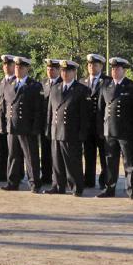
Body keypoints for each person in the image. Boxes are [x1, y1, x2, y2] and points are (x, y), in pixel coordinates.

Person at [97, 57, 133, 198]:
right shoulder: (105, 85)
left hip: (126, 131)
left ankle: (131, 190)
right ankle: (109, 188)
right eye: (112, 68)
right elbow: (101, 109)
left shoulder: (132, 86)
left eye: (117, 68)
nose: (114, 71)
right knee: (110, 162)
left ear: (124, 70)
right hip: (109, 130)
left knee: (129, 162)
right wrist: (101, 129)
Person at [44, 60, 90, 196]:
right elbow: (50, 112)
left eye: (68, 71)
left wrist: (82, 132)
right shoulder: (55, 88)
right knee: (56, 162)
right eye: (63, 71)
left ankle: (76, 187)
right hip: (56, 130)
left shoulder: (81, 90)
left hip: (71, 132)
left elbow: (84, 115)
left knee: (73, 162)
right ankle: (58, 185)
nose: (65, 73)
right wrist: (48, 128)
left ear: (74, 72)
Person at [1, 56, 44, 193]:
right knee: (13, 155)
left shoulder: (34, 86)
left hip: (27, 127)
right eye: (17, 67)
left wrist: (36, 127)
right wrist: (4, 123)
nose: (18, 69)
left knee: (30, 157)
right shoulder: (10, 84)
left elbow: (38, 110)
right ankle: (12, 182)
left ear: (27, 69)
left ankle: (34, 183)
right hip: (13, 126)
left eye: (21, 67)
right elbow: (4, 106)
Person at [81, 54, 110, 189]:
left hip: (102, 125)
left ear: (101, 67)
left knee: (104, 155)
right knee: (89, 154)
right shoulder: (82, 82)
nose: (92, 67)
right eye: (90, 65)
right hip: (87, 126)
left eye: (95, 65)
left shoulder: (107, 81)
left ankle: (105, 181)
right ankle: (89, 180)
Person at [39, 59, 62, 186]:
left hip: (57, 123)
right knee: (45, 151)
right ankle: (46, 175)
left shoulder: (62, 83)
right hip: (44, 123)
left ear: (58, 70)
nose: (50, 71)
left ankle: (57, 177)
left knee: (56, 152)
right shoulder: (43, 83)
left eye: (52, 69)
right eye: (48, 69)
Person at [0, 54, 17, 182]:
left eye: (9, 64)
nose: (6, 67)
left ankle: (15, 174)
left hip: (12, 121)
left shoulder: (16, 82)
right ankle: (1, 174)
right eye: (4, 64)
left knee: (14, 151)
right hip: (1, 120)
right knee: (2, 149)